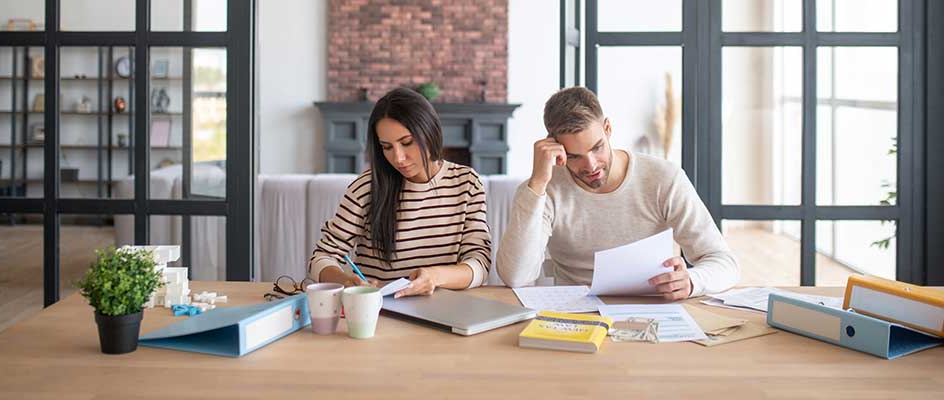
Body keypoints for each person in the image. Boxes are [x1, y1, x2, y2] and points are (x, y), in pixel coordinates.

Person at [497, 87, 738, 300]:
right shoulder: (544, 189)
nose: (591, 166)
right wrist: (538, 183)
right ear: (555, 148)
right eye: (574, 156)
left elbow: (725, 264)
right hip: (573, 314)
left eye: (597, 147)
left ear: (608, 128)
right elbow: (516, 277)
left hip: (653, 309)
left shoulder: (663, 178)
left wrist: (693, 281)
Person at [309, 87, 492, 298]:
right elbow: (321, 256)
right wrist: (345, 281)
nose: (398, 158)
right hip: (381, 314)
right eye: (387, 147)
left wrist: (435, 276)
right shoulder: (367, 187)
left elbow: (479, 263)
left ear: (430, 132)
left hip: (446, 310)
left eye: (407, 143)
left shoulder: (467, 183)